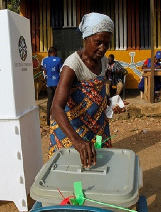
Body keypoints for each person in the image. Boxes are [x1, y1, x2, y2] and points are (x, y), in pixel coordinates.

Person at [49, 13, 125, 168]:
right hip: (72, 132)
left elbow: (95, 95)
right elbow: (56, 108)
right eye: (97, 42)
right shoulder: (72, 65)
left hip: (96, 128)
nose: (102, 48)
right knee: (70, 173)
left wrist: (111, 104)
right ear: (86, 39)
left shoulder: (103, 61)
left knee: (97, 170)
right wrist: (77, 141)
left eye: (106, 43)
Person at [41, 47, 62, 126]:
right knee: (58, 101)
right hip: (57, 83)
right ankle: (57, 120)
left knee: (49, 101)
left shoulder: (45, 60)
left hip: (49, 83)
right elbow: (61, 71)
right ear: (55, 52)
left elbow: (44, 70)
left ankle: (48, 121)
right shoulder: (58, 60)